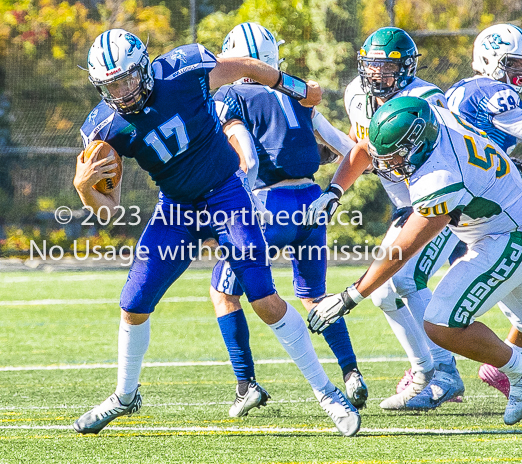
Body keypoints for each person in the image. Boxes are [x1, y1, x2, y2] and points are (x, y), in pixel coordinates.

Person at [71, 29, 361, 437]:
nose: (121, 92)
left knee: (263, 296)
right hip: (176, 208)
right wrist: (85, 189)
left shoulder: (182, 70)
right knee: (133, 303)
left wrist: (295, 88)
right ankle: (124, 396)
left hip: (227, 194)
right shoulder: (105, 127)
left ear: (144, 67)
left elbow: (243, 66)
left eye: (127, 79)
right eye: (110, 85)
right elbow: (109, 212)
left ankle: (328, 393)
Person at [307, 96, 522, 425]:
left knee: (441, 322)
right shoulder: (429, 119)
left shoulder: (441, 176)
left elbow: (402, 250)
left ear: (417, 146)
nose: (387, 164)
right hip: (493, 220)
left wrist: (350, 296)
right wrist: (333, 192)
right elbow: (366, 149)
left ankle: (517, 370)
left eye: (395, 156)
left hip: (506, 234)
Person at [208, 22, 366, 418]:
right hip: (313, 201)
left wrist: (238, 192)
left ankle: (246, 384)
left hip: (268, 203)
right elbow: (348, 147)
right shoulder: (296, 96)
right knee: (315, 296)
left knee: (224, 292)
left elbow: (247, 151)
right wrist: (339, 188)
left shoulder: (229, 94)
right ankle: (351, 372)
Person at [308, 27, 465, 410]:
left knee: (406, 277)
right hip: (405, 205)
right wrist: (335, 189)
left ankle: (444, 372)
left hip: (446, 203)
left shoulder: (426, 99)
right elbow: (363, 144)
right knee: (381, 291)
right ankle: (425, 370)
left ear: (407, 69)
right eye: (373, 66)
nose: (378, 75)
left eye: (388, 68)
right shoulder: (356, 95)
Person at [446, 23, 522, 399]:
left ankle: (503, 366)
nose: (520, 74)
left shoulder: (462, 90)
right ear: (492, 60)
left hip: (474, 213)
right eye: (516, 65)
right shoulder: (494, 91)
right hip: (500, 212)